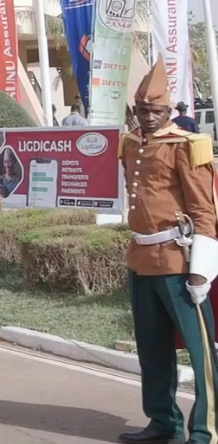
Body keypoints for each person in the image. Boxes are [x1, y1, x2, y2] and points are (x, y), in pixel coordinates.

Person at [120, 60, 218, 444]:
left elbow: (204, 211)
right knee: (152, 348)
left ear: (169, 110)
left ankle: (205, 429)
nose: (147, 116)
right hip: (142, 260)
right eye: (141, 110)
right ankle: (163, 422)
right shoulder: (128, 143)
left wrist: (201, 272)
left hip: (178, 260)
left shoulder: (187, 145)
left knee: (200, 353)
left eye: (155, 111)